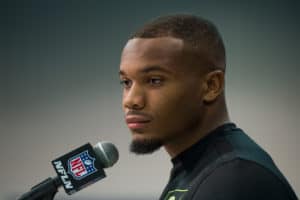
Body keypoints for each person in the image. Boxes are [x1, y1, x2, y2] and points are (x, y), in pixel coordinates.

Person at [119, 14, 298, 200]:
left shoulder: (234, 178)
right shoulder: (197, 168)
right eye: (126, 82)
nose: (131, 100)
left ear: (212, 86)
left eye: (155, 80)